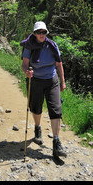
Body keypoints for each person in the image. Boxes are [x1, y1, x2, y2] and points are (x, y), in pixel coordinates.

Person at [21, 21, 67, 158]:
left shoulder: (52, 45)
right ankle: (37, 127)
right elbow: (24, 65)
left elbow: (59, 64)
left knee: (56, 109)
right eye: (39, 32)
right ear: (34, 33)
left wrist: (63, 82)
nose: (42, 34)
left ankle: (56, 142)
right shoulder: (29, 46)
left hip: (52, 80)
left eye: (44, 32)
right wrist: (27, 73)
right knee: (36, 107)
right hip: (35, 80)